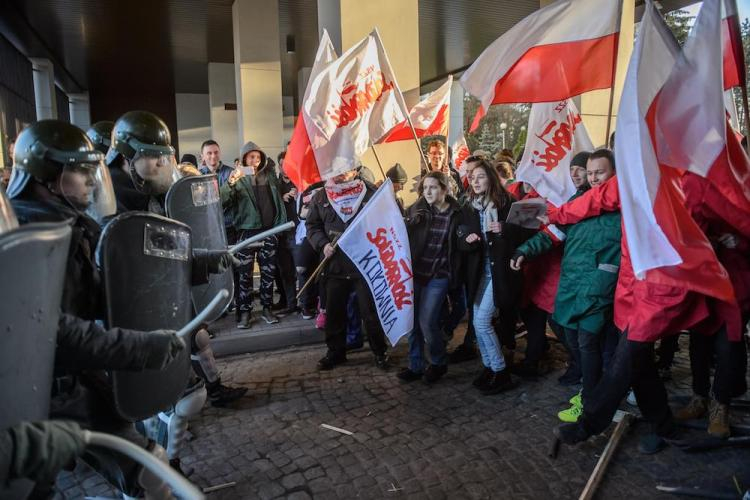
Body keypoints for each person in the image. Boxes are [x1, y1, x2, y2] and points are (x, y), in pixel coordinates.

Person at [105, 111, 247, 410]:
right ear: (127, 157)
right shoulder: (111, 203)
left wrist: (207, 261)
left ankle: (207, 391)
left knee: (196, 343)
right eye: (154, 159)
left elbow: (165, 249)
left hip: (162, 290)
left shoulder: (145, 194)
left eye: (163, 159)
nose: (161, 167)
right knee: (164, 399)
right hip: (133, 311)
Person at [512, 149, 619, 423]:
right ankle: (594, 389)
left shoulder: (623, 206)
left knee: (589, 343)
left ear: (614, 173)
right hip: (571, 285)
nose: (594, 178)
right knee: (570, 335)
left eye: (600, 172)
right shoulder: (577, 201)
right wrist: (524, 250)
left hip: (599, 287)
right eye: (591, 172)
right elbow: (554, 233)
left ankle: (590, 401)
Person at [457, 159, 533, 394]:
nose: (475, 181)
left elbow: (528, 230)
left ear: (490, 177)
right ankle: (490, 367)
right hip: (480, 272)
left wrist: (505, 229)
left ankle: (501, 372)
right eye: (472, 177)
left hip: (500, 273)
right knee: (478, 324)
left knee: (482, 322)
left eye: (480, 176)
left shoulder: (508, 202)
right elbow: (459, 233)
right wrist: (467, 238)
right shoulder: (469, 205)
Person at [305, 168, 390, 371]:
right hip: (334, 265)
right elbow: (313, 226)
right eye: (337, 167)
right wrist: (323, 244)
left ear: (355, 169)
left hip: (364, 265)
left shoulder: (370, 192)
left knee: (370, 313)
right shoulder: (321, 195)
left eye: (347, 167)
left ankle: (380, 352)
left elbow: (385, 220)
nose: (341, 173)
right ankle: (335, 353)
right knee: (334, 314)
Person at [398, 172, 462, 384]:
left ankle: (437, 362)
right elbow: (401, 235)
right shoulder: (417, 210)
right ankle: (415, 365)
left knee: (427, 321)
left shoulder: (457, 212)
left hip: (439, 275)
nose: (428, 192)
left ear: (444, 189)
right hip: (416, 274)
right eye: (425, 188)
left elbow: (463, 240)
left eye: (433, 187)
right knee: (412, 322)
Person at [221, 140, 287, 327]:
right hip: (246, 233)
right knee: (245, 275)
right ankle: (245, 313)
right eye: (251, 157)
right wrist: (232, 181)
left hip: (269, 232)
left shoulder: (269, 176)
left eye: (258, 157)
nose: (255, 160)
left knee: (268, 273)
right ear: (244, 158)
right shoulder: (237, 178)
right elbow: (222, 201)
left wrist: (278, 227)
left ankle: (267, 309)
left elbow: (278, 200)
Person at [274, 150, 301, 316]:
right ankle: (290, 304)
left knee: (301, 270)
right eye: (282, 164)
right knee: (284, 271)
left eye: (288, 164)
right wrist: (280, 198)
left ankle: (305, 304)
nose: (285, 168)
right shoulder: (274, 185)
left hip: (297, 233)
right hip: (280, 234)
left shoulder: (300, 183)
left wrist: (299, 196)